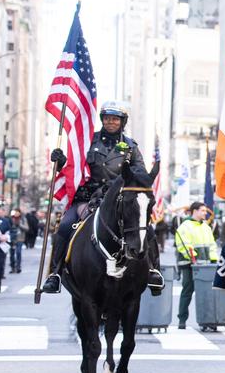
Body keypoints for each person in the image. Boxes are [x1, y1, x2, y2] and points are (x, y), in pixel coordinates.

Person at [41, 101, 164, 295]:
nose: (110, 122)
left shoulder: (131, 147)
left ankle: (153, 271)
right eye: (107, 118)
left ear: (122, 122)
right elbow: (73, 166)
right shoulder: (87, 141)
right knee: (65, 225)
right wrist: (61, 160)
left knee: (146, 230)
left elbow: (139, 172)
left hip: (119, 199)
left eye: (115, 119)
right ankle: (54, 274)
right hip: (88, 197)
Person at [175, 202, 219, 329]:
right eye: (203, 210)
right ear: (194, 211)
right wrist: (194, 259)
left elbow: (212, 245)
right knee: (187, 291)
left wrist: (213, 260)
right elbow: (184, 245)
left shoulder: (206, 227)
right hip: (189, 265)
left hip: (204, 265)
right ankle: (182, 320)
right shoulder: (185, 226)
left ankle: (207, 320)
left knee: (206, 293)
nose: (205, 213)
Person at [8, 208, 26, 274]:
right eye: (15, 212)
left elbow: (27, 228)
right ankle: (12, 267)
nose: (16, 213)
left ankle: (18, 267)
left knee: (18, 252)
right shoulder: (10, 219)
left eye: (17, 212)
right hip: (12, 239)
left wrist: (20, 225)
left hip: (20, 239)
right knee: (12, 254)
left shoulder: (23, 219)